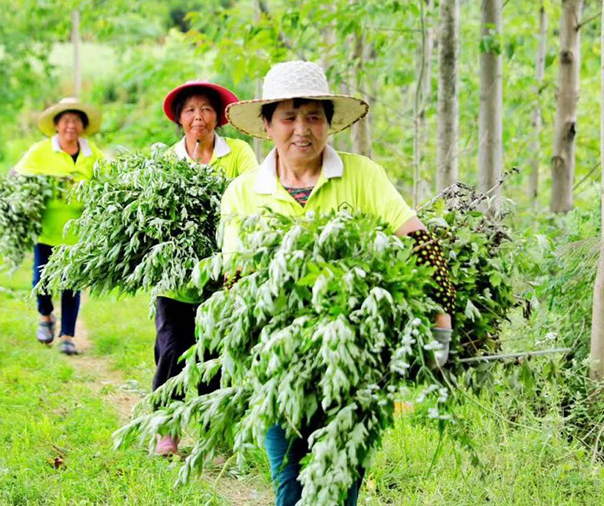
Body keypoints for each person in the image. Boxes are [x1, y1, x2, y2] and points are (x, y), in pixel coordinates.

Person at [221, 61, 456, 506]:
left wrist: (439, 322)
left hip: (355, 363)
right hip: (277, 366)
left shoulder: (362, 175)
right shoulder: (243, 192)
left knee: (343, 479)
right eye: (288, 117)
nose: (302, 129)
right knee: (290, 482)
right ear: (267, 126)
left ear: (329, 123)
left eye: (313, 116)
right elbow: (238, 280)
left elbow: (418, 242)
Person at [153, 80, 258, 457]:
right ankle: (167, 427)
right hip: (177, 279)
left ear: (218, 117)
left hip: (224, 275)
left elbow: (254, 193)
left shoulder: (239, 153)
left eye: (207, 109)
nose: (199, 117)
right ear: (180, 119)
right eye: (190, 110)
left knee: (215, 352)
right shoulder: (168, 159)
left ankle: (215, 428)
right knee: (173, 350)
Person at [13, 97, 106, 356]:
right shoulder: (41, 151)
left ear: (83, 126)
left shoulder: (92, 154)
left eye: (76, 121)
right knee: (40, 281)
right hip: (46, 230)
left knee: (71, 285)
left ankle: (67, 336)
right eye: (66, 120)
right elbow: (17, 173)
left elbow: (110, 181)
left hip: (78, 234)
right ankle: (45, 316)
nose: (70, 126)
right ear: (56, 125)